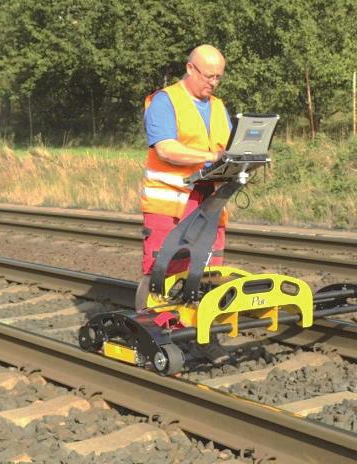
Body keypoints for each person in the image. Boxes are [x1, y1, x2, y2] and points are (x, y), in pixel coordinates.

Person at [136, 44, 232, 364]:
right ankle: (159, 340)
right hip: (172, 204)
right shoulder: (164, 101)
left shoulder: (219, 107)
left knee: (207, 274)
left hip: (209, 203)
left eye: (219, 77)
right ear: (191, 69)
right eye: (209, 76)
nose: (213, 83)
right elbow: (166, 149)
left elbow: (228, 149)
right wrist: (211, 158)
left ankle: (205, 338)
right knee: (165, 274)